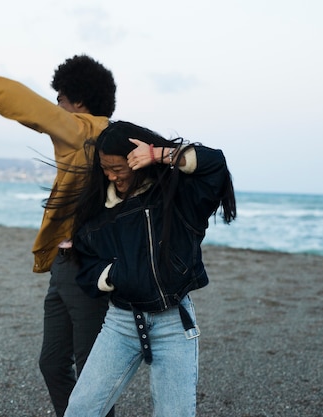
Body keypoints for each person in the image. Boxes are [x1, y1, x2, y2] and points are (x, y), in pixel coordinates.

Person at [0, 55, 117, 417]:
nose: (56, 108)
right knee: (53, 363)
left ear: (77, 102)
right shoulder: (100, 134)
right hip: (63, 267)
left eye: (60, 100)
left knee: (90, 370)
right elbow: (42, 116)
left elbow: (32, 110)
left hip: (84, 267)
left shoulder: (85, 132)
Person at [62, 121, 237, 417]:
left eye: (118, 168)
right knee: (81, 409)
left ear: (138, 161)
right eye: (104, 168)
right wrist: (114, 276)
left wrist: (160, 154)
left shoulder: (179, 196)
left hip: (174, 323)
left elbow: (214, 164)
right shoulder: (99, 212)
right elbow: (88, 268)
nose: (110, 175)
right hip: (120, 322)